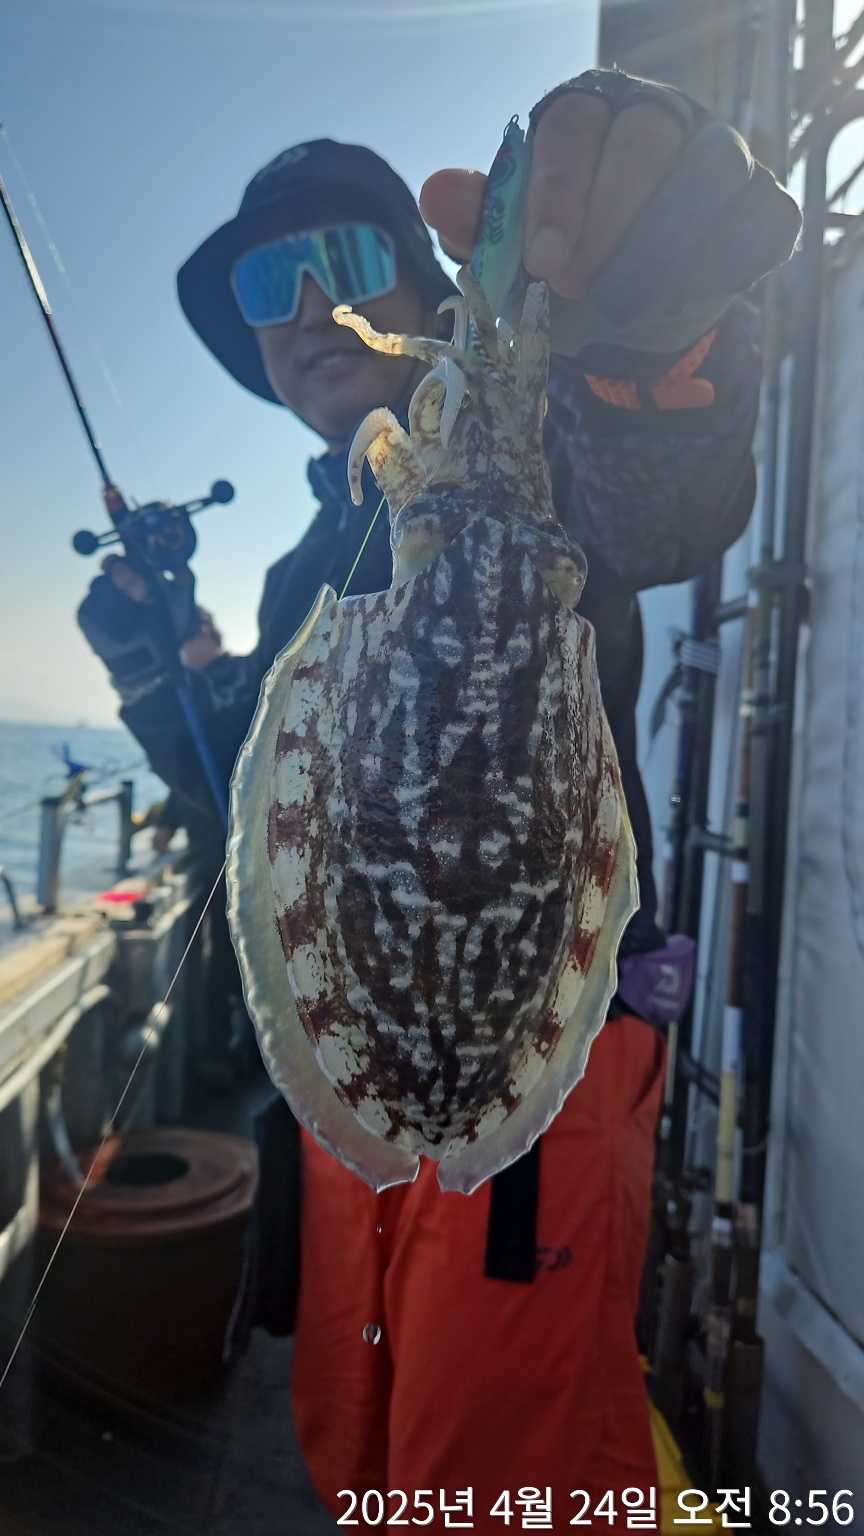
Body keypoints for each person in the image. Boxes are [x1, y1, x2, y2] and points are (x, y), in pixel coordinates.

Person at [77, 71, 800, 1532]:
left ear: (415, 283)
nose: (301, 309)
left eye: (338, 260)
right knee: (360, 1438)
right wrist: (161, 670)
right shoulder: (302, 565)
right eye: (263, 284)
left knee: (499, 1473)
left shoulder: (542, 459)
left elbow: (653, 490)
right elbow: (247, 792)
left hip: (548, 1055)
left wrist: (646, 336)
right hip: (347, 1054)